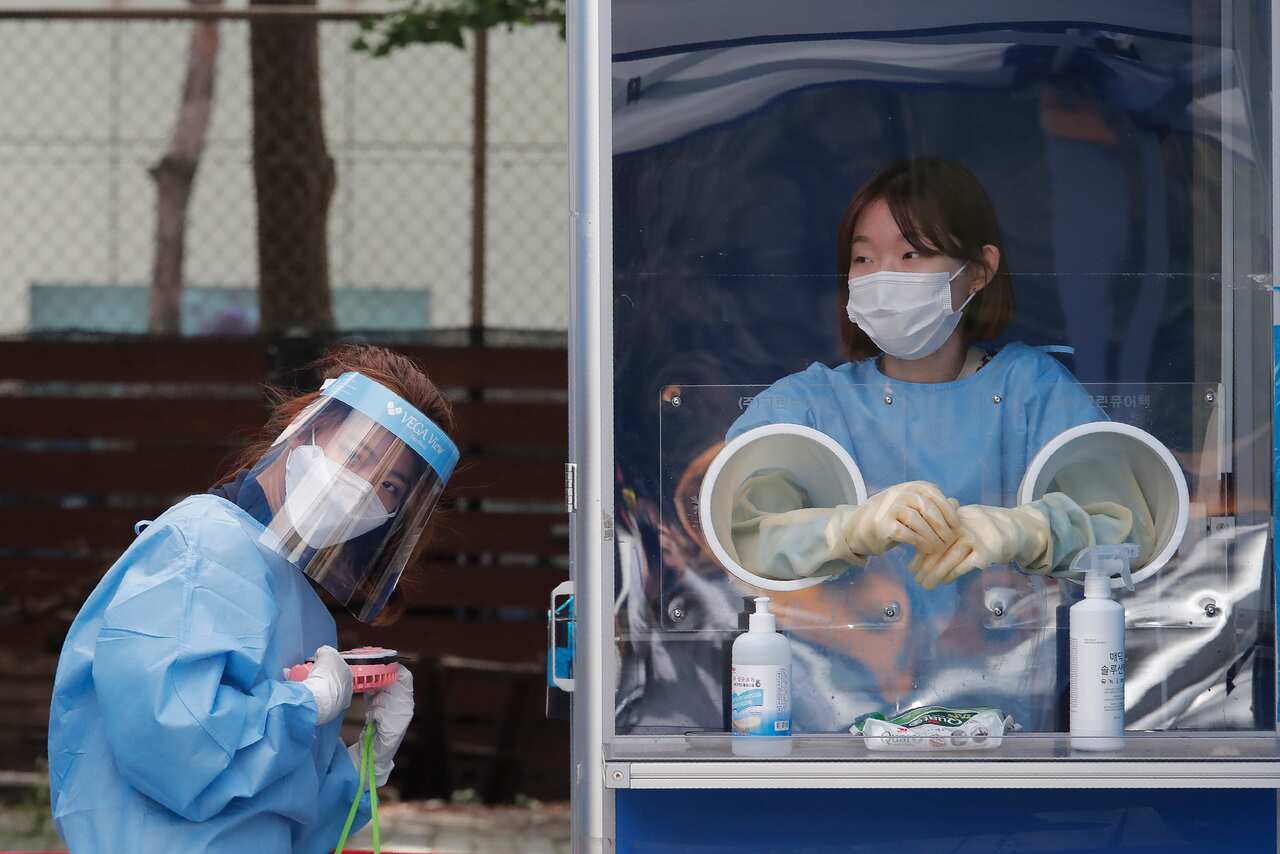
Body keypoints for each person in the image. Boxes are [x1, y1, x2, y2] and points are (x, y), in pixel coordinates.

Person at [722, 157, 1153, 730]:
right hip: (826, 741)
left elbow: (1130, 531)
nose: (883, 275)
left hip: (1010, 739)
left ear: (978, 271)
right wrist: (844, 528)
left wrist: (1027, 530)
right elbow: (735, 532)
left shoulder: (1033, 392)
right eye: (863, 258)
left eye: (911, 253)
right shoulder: (805, 405)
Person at [47, 345, 458, 853]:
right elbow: (175, 752)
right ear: (309, 427)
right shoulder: (200, 543)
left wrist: (364, 766)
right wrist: (304, 705)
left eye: (391, 485)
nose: (364, 487)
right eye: (358, 455)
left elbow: (281, 823)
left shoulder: (301, 601)